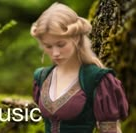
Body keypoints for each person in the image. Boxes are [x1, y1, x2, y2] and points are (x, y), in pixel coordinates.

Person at [30, 2, 128, 133]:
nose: (55, 53)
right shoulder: (42, 77)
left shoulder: (97, 79)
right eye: (48, 46)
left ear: (76, 38)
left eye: (61, 44)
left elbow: (111, 130)